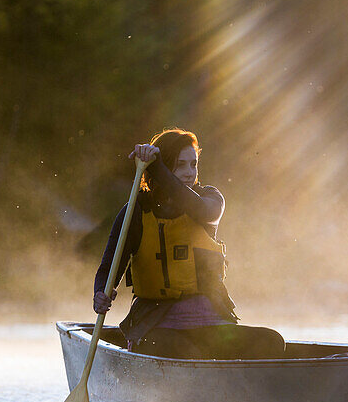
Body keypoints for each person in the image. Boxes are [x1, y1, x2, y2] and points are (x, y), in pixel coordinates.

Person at [93, 128, 285, 359]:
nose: (188, 173)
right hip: (155, 325)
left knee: (272, 341)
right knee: (183, 350)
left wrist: (158, 166)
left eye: (193, 165)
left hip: (210, 323)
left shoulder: (209, 200)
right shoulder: (135, 210)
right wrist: (100, 293)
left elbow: (199, 210)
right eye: (179, 164)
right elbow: (108, 268)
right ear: (161, 168)